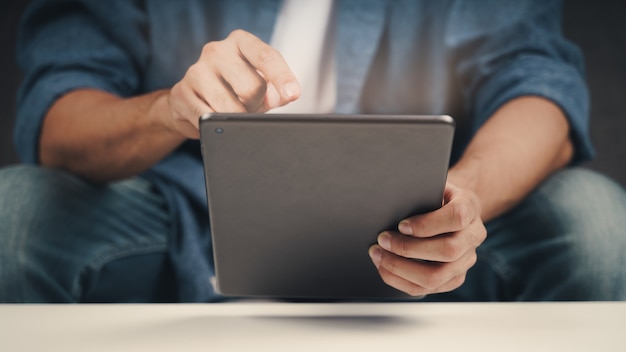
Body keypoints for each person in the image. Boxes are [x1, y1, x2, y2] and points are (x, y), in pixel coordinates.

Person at [1, 0, 625, 303]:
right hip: (188, 209)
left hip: (422, 222)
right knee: (17, 214)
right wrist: (169, 110)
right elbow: (58, 113)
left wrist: (463, 202)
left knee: (597, 224)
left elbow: (539, 86)